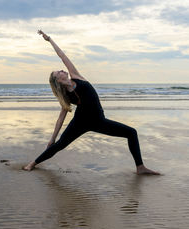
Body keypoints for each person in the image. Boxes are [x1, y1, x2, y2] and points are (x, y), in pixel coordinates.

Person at [23, 30, 160, 175]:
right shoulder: (66, 96)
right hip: (79, 123)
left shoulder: (76, 76)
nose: (62, 70)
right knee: (59, 145)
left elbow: (62, 56)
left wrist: (49, 39)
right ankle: (33, 163)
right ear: (58, 81)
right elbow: (60, 119)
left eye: (60, 70)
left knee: (131, 133)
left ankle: (140, 167)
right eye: (59, 72)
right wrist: (52, 139)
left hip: (99, 121)